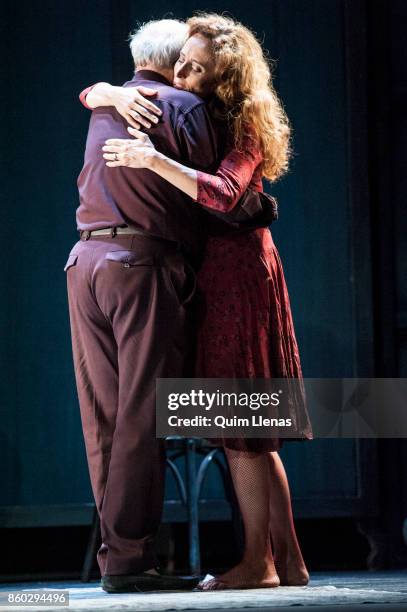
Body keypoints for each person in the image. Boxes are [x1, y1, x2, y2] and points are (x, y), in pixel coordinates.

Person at [83, 13, 313, 591]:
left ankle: (258, 565)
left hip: (238, 275)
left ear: (226, 78)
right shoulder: (198, 112)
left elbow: (225, 193)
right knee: (247, 423)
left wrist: (152, 160)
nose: (180, 73)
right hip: (218, 271)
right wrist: (106, 91)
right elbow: (93, 92)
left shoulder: (241, 127)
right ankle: (288, 560)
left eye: (197, 68)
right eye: (181, 59)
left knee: (239, 424)